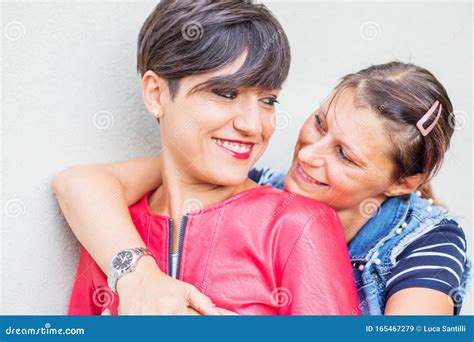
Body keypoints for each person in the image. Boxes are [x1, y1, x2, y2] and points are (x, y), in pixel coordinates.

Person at [53, 0, 360, 316]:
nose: (253, 125)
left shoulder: (298, 224)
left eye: (268, 100)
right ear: (157, 95)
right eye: (226, 93)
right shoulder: (112, 236)